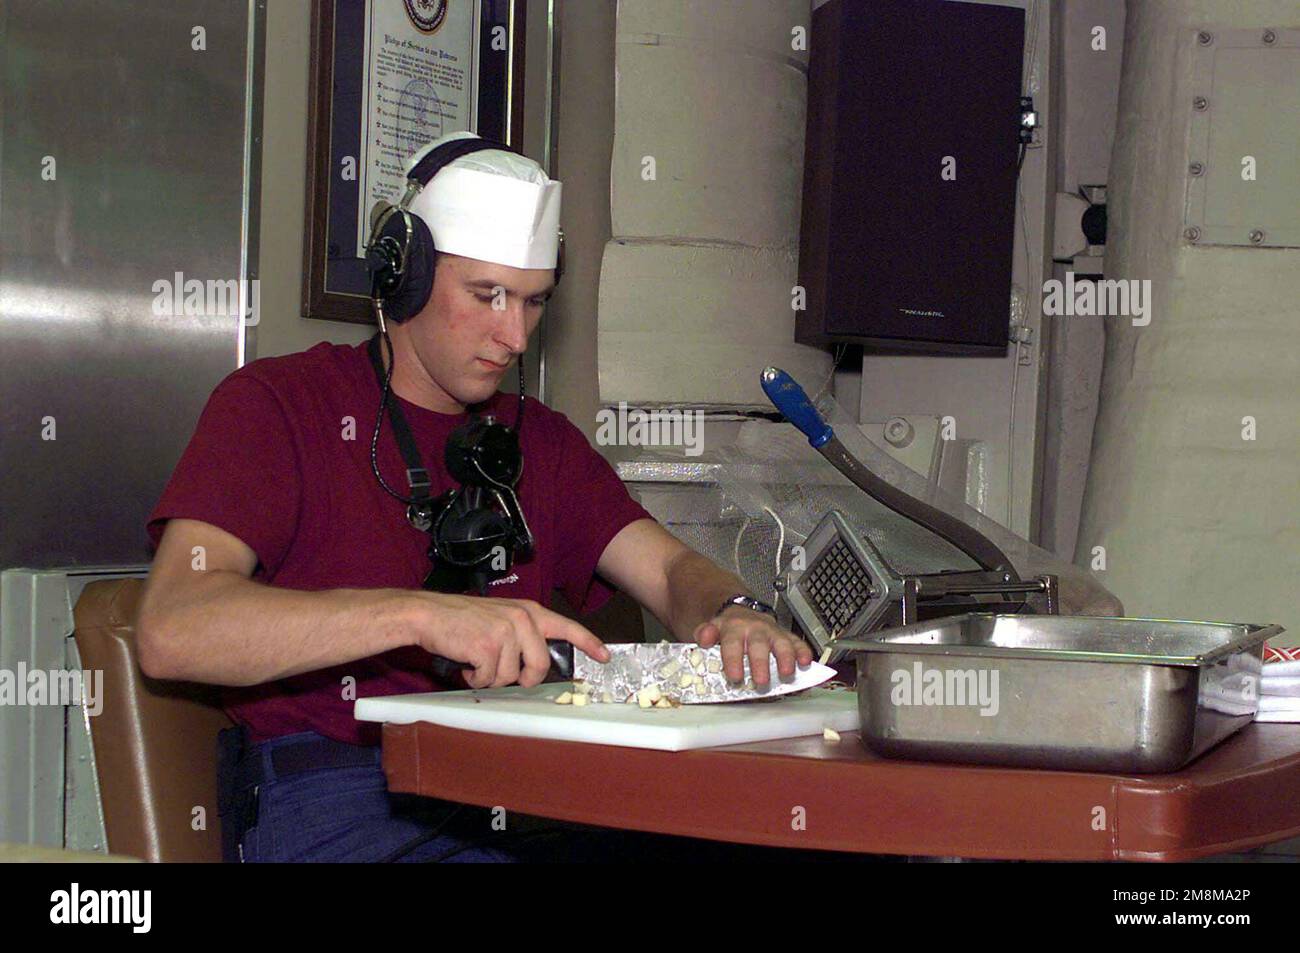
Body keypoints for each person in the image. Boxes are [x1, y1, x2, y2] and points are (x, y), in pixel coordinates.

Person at [137, 132, 816, 862]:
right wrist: (421, 616)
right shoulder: (277, 405)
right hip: (338, 794)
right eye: (487, 295)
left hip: (520, 786)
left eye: (532, 302)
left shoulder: (543, 442)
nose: (513, 333)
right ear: (407, 276)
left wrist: (735, 613)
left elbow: (672, 571)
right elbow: (173, 627)